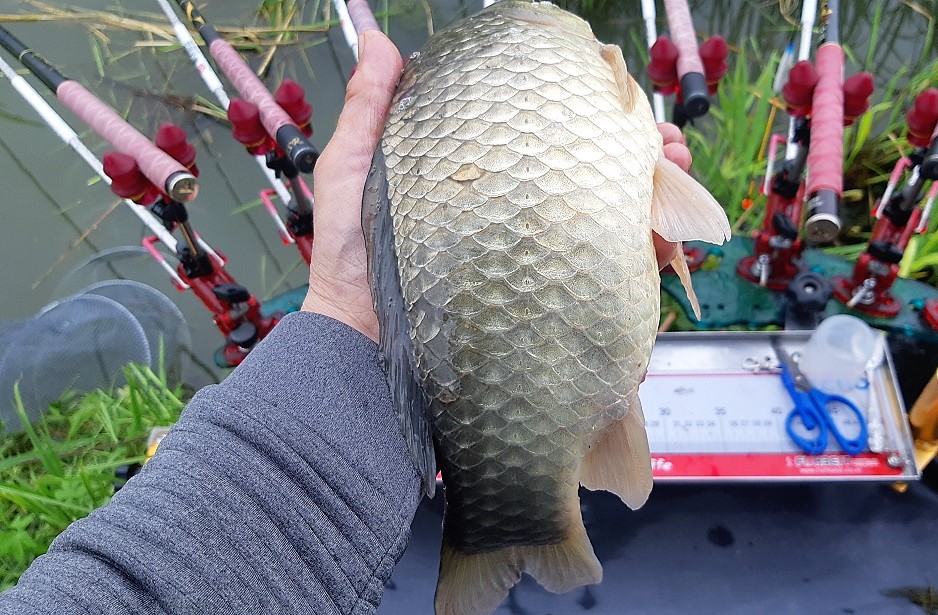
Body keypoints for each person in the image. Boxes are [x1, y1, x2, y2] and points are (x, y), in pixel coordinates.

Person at [0, 31, 690, 614]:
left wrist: (351, 322)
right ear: (606, 71)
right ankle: (520, 510)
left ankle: (517, 506)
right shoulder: (593, 78)